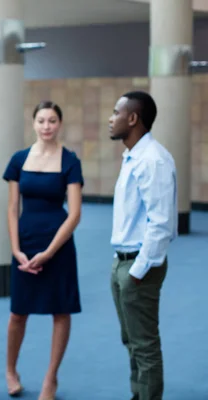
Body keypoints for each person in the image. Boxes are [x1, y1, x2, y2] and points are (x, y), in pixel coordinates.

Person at [3, 101, 83, 400]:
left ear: (59, 124)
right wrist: (15, 249)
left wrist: (50, 252)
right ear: (34, 123)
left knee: (60, 311)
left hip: (58, 245)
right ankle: (11, 370)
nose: (46, 126)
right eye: (41, 120)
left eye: (52, 121)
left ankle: (51, 378)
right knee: (17, 314)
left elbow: (74, 214)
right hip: (24, 242)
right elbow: (12, 209)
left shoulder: (70, 161)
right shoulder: (19, 159)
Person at [108, 91, 176, 400]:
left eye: (116, 112)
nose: (111, 118)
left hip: (138, 266)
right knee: (131, 339)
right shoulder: (132, 155)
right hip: (122, 261)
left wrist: (137, 270)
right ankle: (138, 394)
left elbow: (161, 224)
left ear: (133, 118)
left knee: (145, 345)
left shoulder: (153, 160)